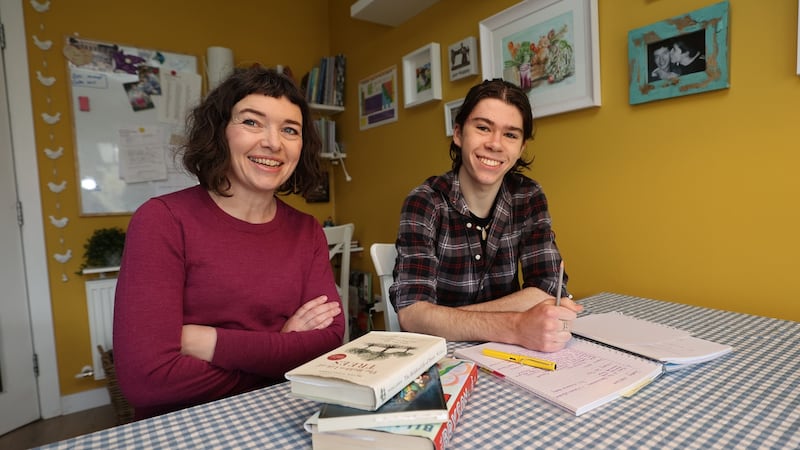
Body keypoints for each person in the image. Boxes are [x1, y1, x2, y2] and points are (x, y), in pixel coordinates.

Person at [113, 67, 345, 419]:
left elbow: (328, 341)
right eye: (252, 122)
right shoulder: (162, 220)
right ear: (219, 132)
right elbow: (146, 379)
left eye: (290, 129)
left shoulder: (307, 230)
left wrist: (209, 341)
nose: (273, 143)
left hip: (280, 412)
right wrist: (281, 349)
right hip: (185, 424)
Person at [390, 78, 582, 353]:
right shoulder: (425, 202)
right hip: (441, 357)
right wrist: (515, 324)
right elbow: (412, 315)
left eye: (510, 135)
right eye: (483, 128)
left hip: (509, 353)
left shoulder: (528, 196)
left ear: (521, 148)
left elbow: (548, 288)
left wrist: (444, 319)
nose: (495, 144)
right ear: (459, 133)